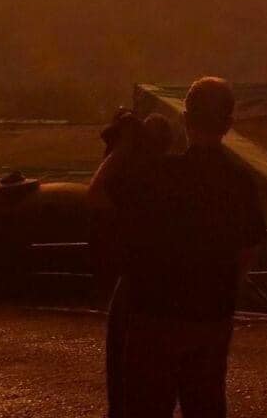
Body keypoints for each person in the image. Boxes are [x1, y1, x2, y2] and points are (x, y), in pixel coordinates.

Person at [89, 77, 266, 418]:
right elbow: (249, 246)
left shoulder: (159, 175)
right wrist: (227, 288)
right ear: (228, 124)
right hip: (211, 317)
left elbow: (97, 195)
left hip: (154, 314)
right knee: (206, 405)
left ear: (185, 118)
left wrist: (125, 146)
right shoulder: (239, 181)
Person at [99, 111, 174, 418]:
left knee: (123, 363)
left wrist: (120, 149)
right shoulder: (175, 175)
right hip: (169, 282)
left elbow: (95, 194)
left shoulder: (140, 180)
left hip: (134, 281)